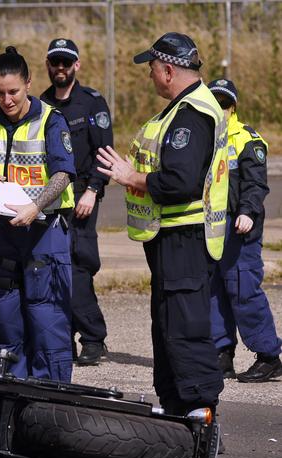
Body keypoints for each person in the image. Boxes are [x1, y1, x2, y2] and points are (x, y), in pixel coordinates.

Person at [96, 33, 227, 415]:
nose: (149, 76)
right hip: (171, 242)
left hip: (184, 242)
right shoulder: (181, 109)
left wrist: (130, 176)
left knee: (185, 332)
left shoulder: (191, 115)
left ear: (168, 70)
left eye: (151, 68)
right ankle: (177, 418)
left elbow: (179, 183)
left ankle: (201, 419)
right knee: (169, 330)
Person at [0, 46, 76, 382]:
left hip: (44, 232)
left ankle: (51, 402)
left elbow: (63, 174)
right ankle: (8, 399)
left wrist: (36, 206)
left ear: (28, 83)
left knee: (47, 323)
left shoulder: (50, 120)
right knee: (6, 323)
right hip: (0, 232)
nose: (7, 100)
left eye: (13, 91)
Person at [40, 38, 112, 366]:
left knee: (80, 266)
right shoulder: (40, 104)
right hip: (51, 195)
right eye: (55, 62)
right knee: (53, 265)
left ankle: (94, 338)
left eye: (66, 63)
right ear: (48, 65)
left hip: (83, 193)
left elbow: (104, 153)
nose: (60, 68)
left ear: (76, 66)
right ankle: (63, 339)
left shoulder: (92, 103)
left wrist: (93, 190)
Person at [207, 78, 282, 382]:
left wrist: (248, 211)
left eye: (224, 103)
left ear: (233, 106)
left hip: (240, 226)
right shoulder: (205, 137)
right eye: (215, 102)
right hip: (211, 226)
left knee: (243, 290)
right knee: (214, 291)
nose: (220, 108)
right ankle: (222, 354)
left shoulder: (246, 138)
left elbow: (256, 183)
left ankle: (268, 355)